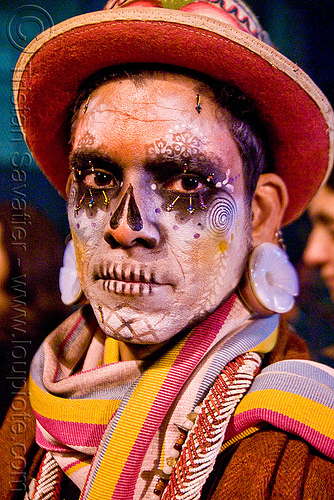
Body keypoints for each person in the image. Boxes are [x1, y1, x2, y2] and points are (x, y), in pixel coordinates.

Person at [1, 0, 334, 499]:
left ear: (259, 214)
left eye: (186, 180)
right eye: (97, 176)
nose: (126, 226)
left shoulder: (302, 448)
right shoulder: (31, 410)